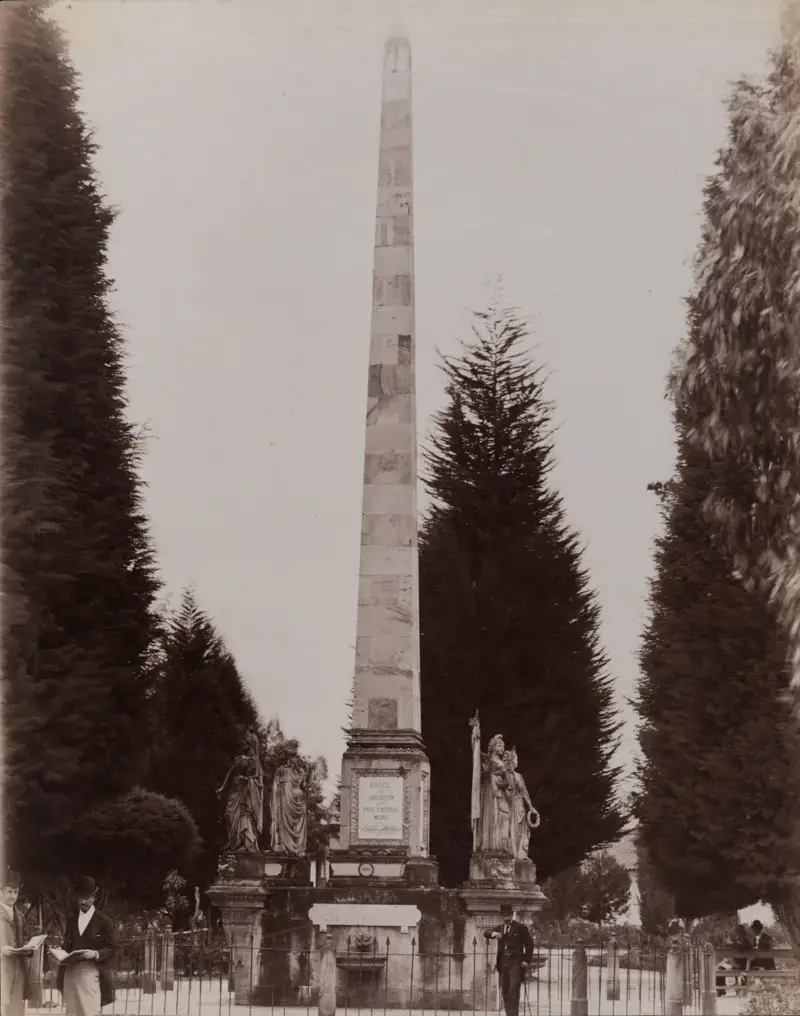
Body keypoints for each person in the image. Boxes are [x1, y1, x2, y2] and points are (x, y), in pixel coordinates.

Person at [56, 877, 115, 1016]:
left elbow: (112, 948)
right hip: (70, 974)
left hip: (90, 974)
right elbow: (67, 946)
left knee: (89, 1013)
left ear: (94, 897)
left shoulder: (103, 921)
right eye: (80, 898)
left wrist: (95, 954)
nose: (82, 901)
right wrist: (59, 953)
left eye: (87, 897)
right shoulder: (72, 920)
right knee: (71, 1013)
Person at [218, 729, 264, 852]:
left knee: (244, 815)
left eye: (246, 744)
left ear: (250, 746)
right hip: (235, 789)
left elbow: (255, 779)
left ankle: (241, 842)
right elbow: (229, 773)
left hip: (245, 791)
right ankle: (232, 841)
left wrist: (245, 779)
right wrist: (222, 788)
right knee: (229, 814)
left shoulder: (253, 761)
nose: (244, 746)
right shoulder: (238, 759)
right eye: (243, 744)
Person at [484, 903, 534, 1016]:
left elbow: (529, 945)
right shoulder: (500, 928)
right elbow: (485, 933)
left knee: (514, 988)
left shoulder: (520, 927)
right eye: (504, 916)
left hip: (516, 962)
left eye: (508, 915)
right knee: (505, 989)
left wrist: (526, 960)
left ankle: (513, 1014)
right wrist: (494, 933)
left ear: (512, 915)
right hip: (503, 961)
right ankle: (509, 1014)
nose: (506, 918)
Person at [269, 740, 309, 856]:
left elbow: (275, 790)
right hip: (298, 797)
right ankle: (297, 850)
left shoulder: (281, 771)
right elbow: (304, 787)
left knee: (284, 821)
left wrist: (274, 804)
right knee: (297, 825)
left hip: (287, 797)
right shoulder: (301, 771)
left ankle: (283, 847)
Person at [0, 871, 32, 1016]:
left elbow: (25, 938)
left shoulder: (20, 916)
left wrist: (29, 948)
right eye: (9, 892)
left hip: (18, 973)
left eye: (15, 892)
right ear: (0, 892)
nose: (12, 896)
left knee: (16, 1011)